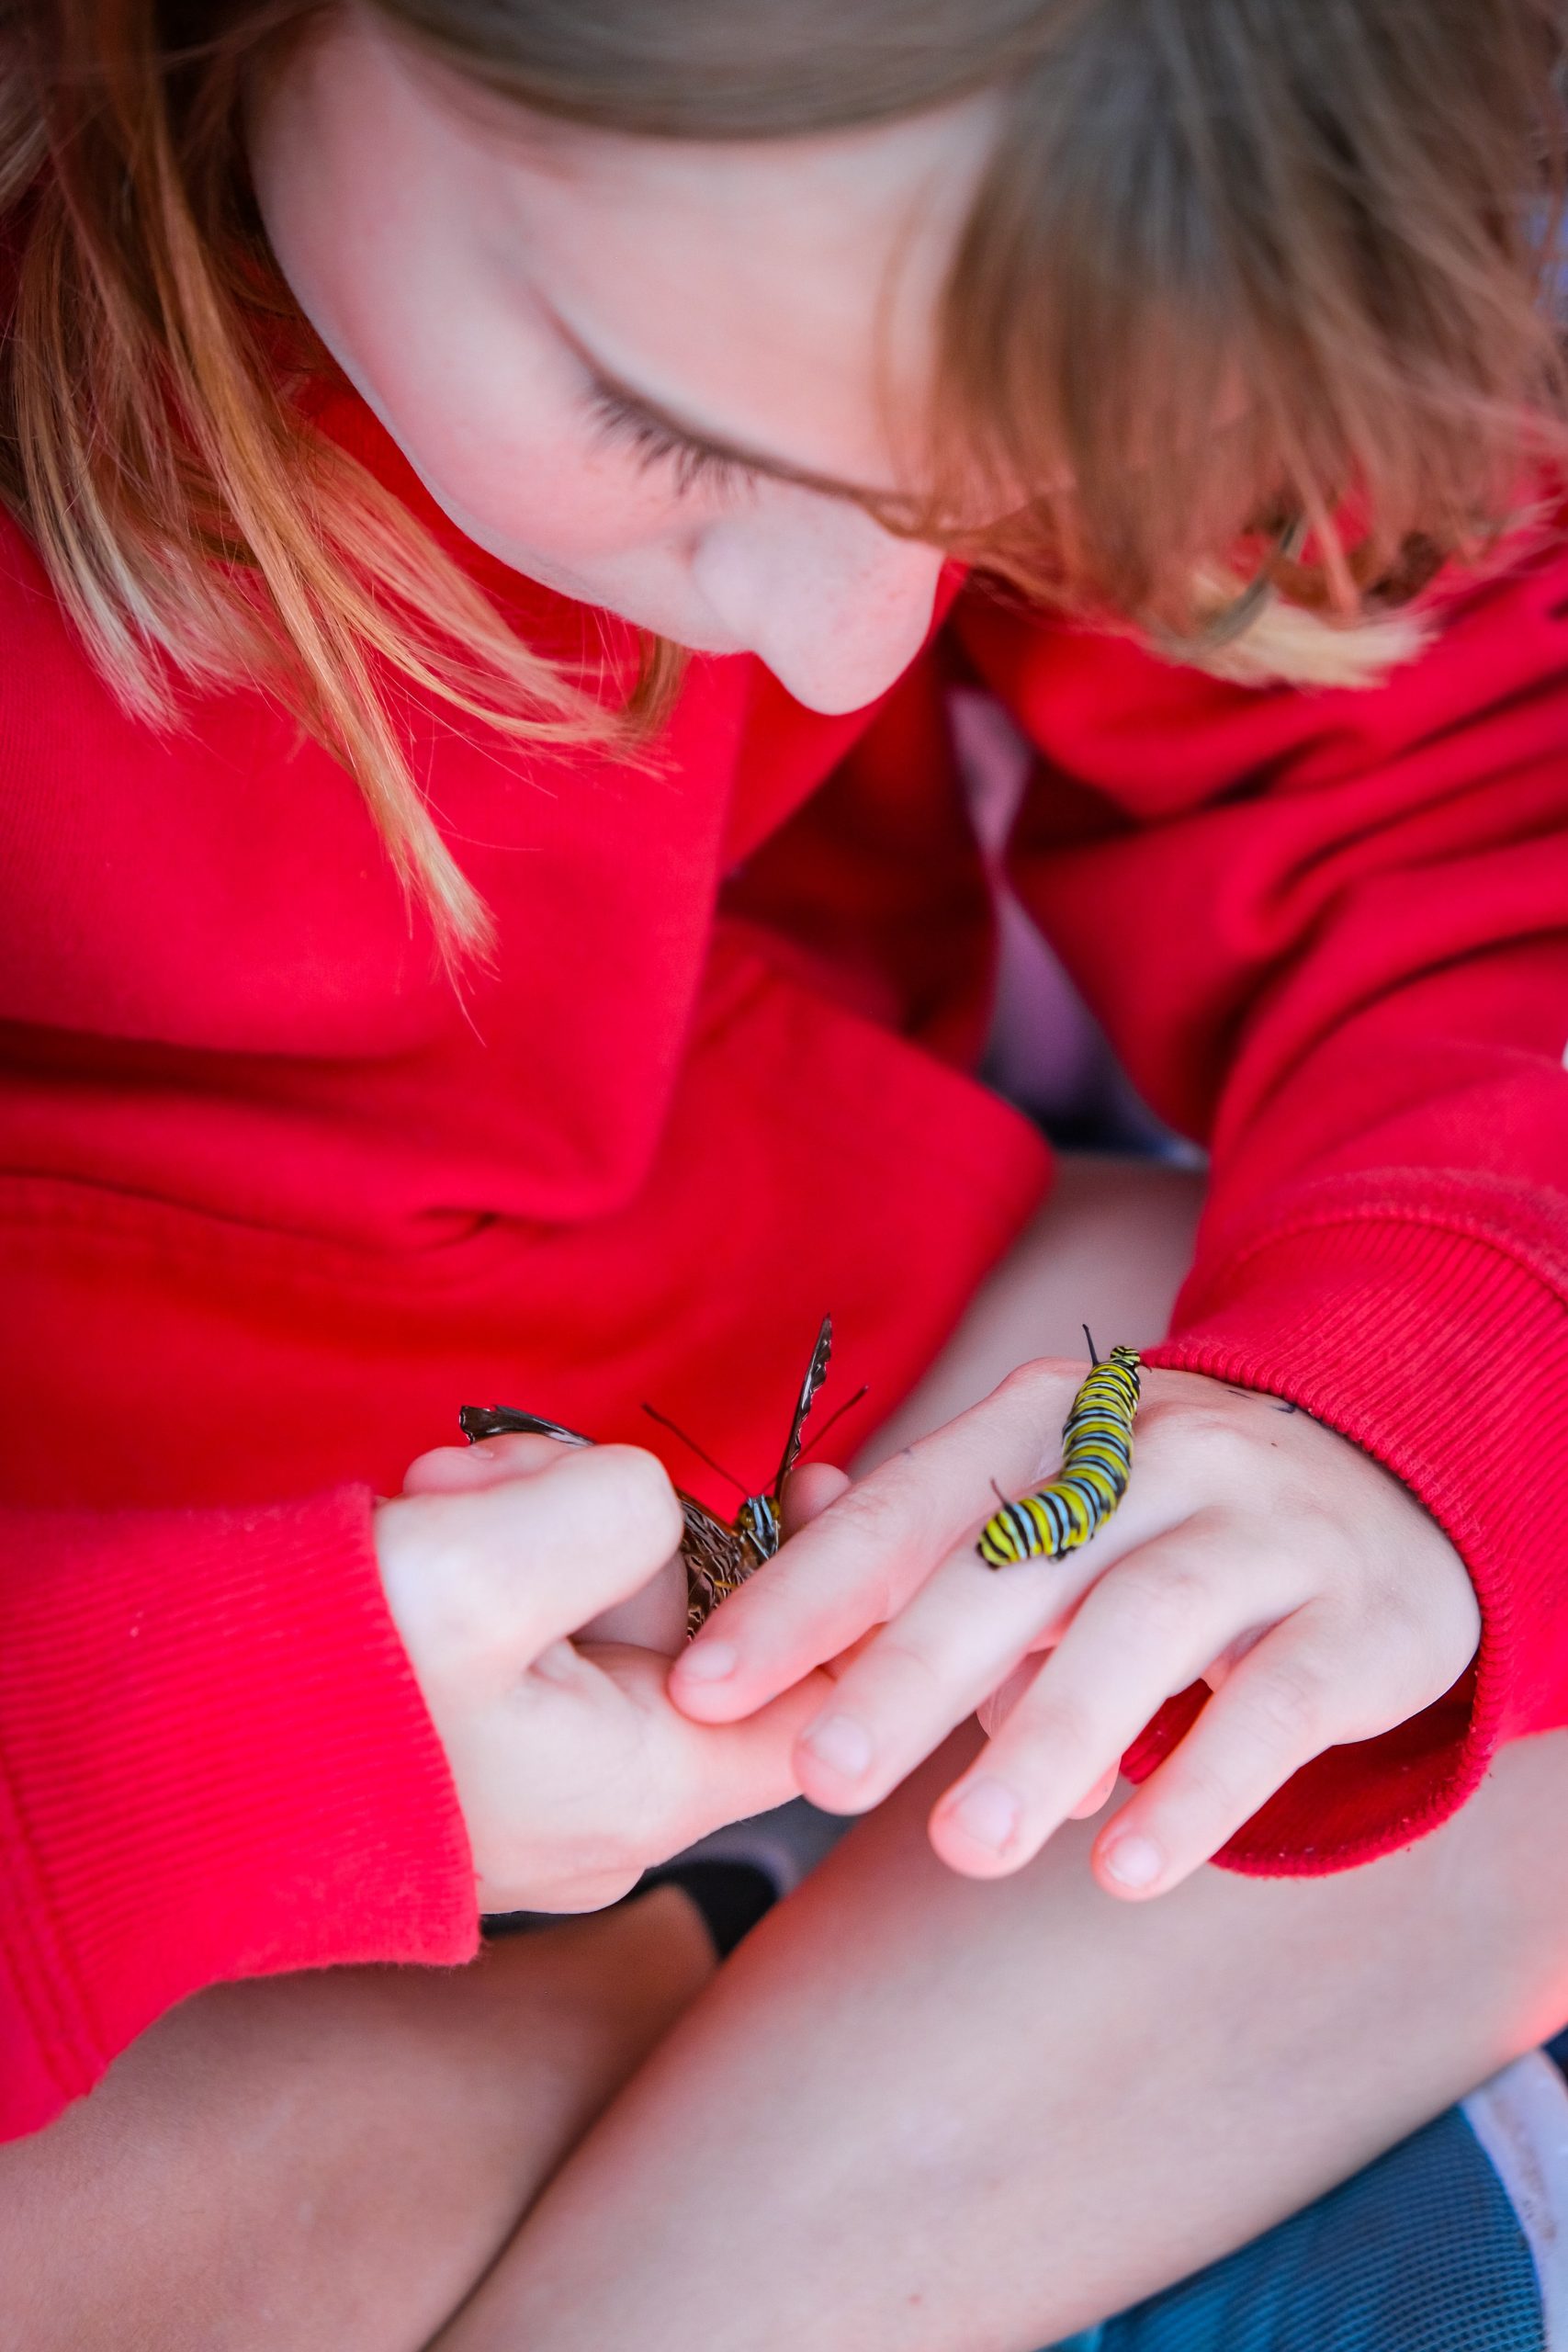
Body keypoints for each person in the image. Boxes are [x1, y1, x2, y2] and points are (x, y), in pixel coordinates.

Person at [2, 2, 1567, 2345]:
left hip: (745, 1389)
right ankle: (696, 2031)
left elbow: (1449, 812)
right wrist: (196, 1752)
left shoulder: (1072, 127)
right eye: (665, 430)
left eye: (987, 516)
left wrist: (1385, 1421)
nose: (857, 637)